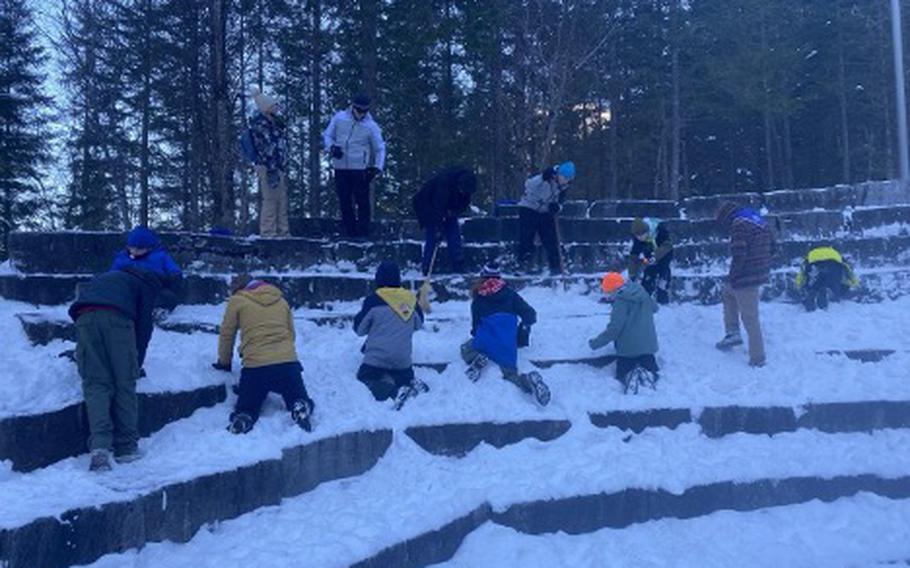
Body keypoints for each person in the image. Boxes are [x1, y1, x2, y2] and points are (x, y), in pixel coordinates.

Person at [68, 266, 162, 471]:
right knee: (124, 382)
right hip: (117, 320)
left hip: (84, 319)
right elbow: (144, 329)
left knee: (96, 384)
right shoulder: (145, 285)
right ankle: (126, 447)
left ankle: (100, 448)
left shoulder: (108, 276)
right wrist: (136, 364)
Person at [213, 274, 315, 434]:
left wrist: (224, 363)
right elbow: (291, 334)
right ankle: (300, 408)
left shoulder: (237, 301)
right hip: (287, 365)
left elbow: (227, 335)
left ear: (239, 288)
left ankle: (243, 419)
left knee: (247, 406)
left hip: (256, 367)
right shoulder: (281, 301)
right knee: (298, 397)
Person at [462, 264, 550, 406]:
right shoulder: (509, 294)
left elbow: (475, 327)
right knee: (510, 375)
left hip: (485, 342)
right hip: (507, 345)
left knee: (466, 348)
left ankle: (478, 357)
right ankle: (528, 381)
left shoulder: (478, 297)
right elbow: (530, 315)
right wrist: (522, 332)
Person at [353, 262, 427, 408]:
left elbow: (359, 330)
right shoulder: (410, 300)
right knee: (400, 373)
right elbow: (419, 325)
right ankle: (409, 382)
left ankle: (394, 392)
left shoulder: (373, 300)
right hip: (402, 360)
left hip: (376, 359)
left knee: (365, 378)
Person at [714, 202, 775, 367]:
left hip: (746, 275)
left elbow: (739, 253)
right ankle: (732, 332)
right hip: (759, 271)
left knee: (750, 317)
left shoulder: (738, 225)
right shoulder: (758, 220)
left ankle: (758, 358)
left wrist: (733, 275)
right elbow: (774, 247)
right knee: (728, 293)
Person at [323, 93, 386, 239]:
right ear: (353, 107)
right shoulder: (339, 118)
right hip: (340, 167)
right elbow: (327, 135)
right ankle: (349, 231)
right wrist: (332, 147)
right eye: (359, 110)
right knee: (344, 200)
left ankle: (363, 231)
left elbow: (380, 148)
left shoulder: (371, 126)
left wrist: (377, 167)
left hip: (360, 169)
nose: (361, 114)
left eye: (365, 111)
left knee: (362, 201)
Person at [588, 272, 660, 394]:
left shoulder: (621, 302)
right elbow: (655, 308)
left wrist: (595, 343)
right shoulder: (641, 292)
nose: (609, 296)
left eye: (609, 293)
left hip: (628, 348)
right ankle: (649, 374)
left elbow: (614, 330)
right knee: (649, 364)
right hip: (649, 346)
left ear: (614, 290)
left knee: (623, 371)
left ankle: (629, 375)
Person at [412, 166, 477, 275]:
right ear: (458, 185)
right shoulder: (444, 184)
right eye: (461, 190)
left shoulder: (467, 187)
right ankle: (427, 265)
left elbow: (463, 205)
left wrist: (454, 212)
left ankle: (458, 262)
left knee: (453, 231)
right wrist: (439, 227)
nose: (462, 192)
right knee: (432, 235)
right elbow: (438, 206)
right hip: (427, 205)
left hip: (448, 207)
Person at [517, 161, 576, 275]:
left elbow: (561, 201)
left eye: (568, 178)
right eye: (564, 177)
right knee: (526, 237)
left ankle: (556, 267)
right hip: (529, 208)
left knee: (551, 240)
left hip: (545, 211)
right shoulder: (545, 178)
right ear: (558, 174)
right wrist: (542, 177)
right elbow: (528, 185)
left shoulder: (564, 187)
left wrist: (557, 207)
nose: (565, 180)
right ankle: (521, 265)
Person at [249, 89, 290, 238]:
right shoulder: (261, 126)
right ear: (266, 108)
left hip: (278, 165)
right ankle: (268, 232)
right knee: (271, 199)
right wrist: (271, 169)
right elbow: (267, 149)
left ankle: (282, 231)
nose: (276, 108)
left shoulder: (274, 124)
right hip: (268, 166)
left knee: (281, 200)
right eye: (273, 105)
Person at [111, 226, 183, 311]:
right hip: (128, 288)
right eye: (132, 247)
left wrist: (173, 275)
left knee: (168, 298)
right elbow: (113, 273)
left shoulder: (160, 256)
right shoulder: (123, 257)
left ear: (149, 247)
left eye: (139, 248)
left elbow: (173, 269)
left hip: (152, 288)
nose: (135, 251)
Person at [795, 246, 859, 311]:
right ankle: (828, 292)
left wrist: (799, 285)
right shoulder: (835, 253)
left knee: (813, 284)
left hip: (814, 263)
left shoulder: (811, 254)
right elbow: (847, 268)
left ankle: (812, 292)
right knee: (835, 285)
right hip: (833, 265)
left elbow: (802, 271)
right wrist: (855, 282)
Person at [627, 217, 674, 304]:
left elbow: (667, 246)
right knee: (647, 280)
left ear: (647, 231)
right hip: (649, 255)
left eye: (641, 235)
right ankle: (645, 300)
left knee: (662, 282)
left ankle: (663, 301)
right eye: (637, 236)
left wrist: (655, 256)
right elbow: (634, 256)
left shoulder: (661, 231)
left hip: (665, 254)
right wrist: (632, 274)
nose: (640, 238)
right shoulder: (638, 239)